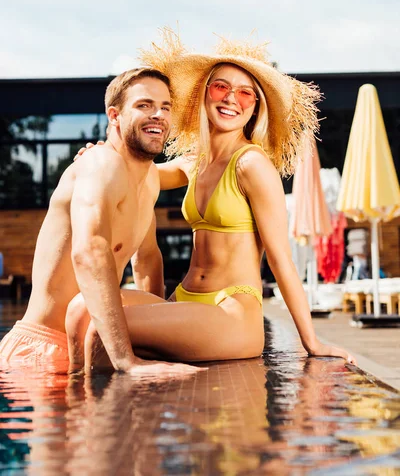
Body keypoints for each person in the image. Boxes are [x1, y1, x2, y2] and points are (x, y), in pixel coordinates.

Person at [70, 29, 356, 369]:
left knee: (105, 330)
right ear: (204, 95)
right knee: (81, 310)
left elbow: (281, 259)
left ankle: (96, 415)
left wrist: (311, 341)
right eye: (221, 86)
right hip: (187, 300)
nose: (232, 98)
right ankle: (75, 414)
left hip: (231, 311)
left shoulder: (251, 164)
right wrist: (102, 154)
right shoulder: (195, 162)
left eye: (246, 93)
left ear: (256, 107)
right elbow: (133, 170)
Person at [0, 67, 200, 378]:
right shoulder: (100, 164)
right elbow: (89, 252)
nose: (158, 115)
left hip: (94, 342)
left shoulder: (148, 179)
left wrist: (157, 335)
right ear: (115, 116)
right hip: (43, 352)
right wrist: (127, 360)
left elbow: (146, 259)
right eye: (144, 105)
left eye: (165, 107)